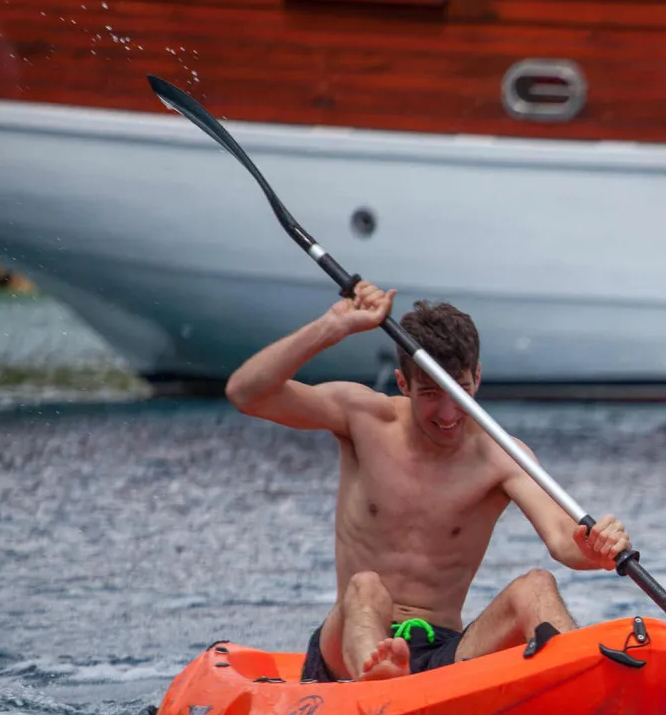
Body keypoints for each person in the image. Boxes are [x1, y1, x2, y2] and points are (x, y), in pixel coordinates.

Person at [224, 281, 630, 682]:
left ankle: (587, 687)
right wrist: (333, 327)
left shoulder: (502, 455)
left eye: (461, 390)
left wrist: (597, 549)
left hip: (442, 656)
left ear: (478, 378)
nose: (449, 412)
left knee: (536, 586)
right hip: (347, 650)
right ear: (404, 384)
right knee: (366, 588)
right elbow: (247, 393)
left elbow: (564, 541)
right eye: (432, 393)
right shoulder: (364, 418)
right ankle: (379, 678)